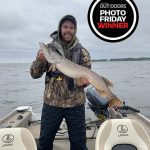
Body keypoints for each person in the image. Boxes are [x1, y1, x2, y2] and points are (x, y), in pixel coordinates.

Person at [30, 15, 91, 150]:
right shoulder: (49, 49)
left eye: (71, 27)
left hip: (76, 105)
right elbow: (34, 74)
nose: (68, 30)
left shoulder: (83, 52)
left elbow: (86, 76)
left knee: (79, 145)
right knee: (44, 143)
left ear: (75, 30)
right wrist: (40, 60)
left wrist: (85, 83)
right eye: (65, 27)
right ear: (60, 28)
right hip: (52, 104)